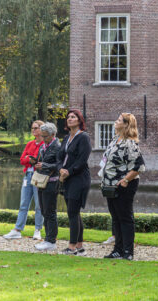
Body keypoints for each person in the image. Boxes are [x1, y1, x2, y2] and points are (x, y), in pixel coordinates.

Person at [100, 113, 145, 260]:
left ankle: (128, 251)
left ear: (126, 124)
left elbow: (139, 166)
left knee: (125, 217)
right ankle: (117, 250)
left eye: (119, 120)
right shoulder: (115, 140)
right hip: (110, 186)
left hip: (124, 185)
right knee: (115, 217)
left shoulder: (130, 143)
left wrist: (125, 180)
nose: (116, 121)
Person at [3, 120, 44, 240]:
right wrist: (29, 159)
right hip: (28, 175)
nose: (33, 130)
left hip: (38, 176)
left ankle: (37, 230)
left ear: (41, 129)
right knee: (23, 204)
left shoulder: (44, 145)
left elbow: (39, 159)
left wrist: (30, 159)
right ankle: (17, 230)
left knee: (39, 205)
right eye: (32, 128)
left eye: (35, 128)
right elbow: (22, 159)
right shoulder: (30, 144)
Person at [58, 109, 91, 256]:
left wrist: (69, 171)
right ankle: (80, 246)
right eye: (68, 117)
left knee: (72, 212)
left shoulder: (83, 137)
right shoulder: (66, 138)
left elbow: (82, 160)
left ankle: (71, 248)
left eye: (73, 117)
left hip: (79, 178)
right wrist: (60, 169)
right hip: (67, 178)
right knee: (74, 212)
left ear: (79, 120)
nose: (70, 119)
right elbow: (59, 157)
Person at [33, 122, 61, 252]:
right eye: (42, 136)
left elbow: (60, 164)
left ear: (53, 134)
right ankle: (47, 238)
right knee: (44, 210)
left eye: (45, 136)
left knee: (50, 211)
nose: (43, 139)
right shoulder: (44, 146)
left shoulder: (57, 147)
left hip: (52, 182)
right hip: (41, 181)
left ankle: (51, 241)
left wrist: (44, 165)